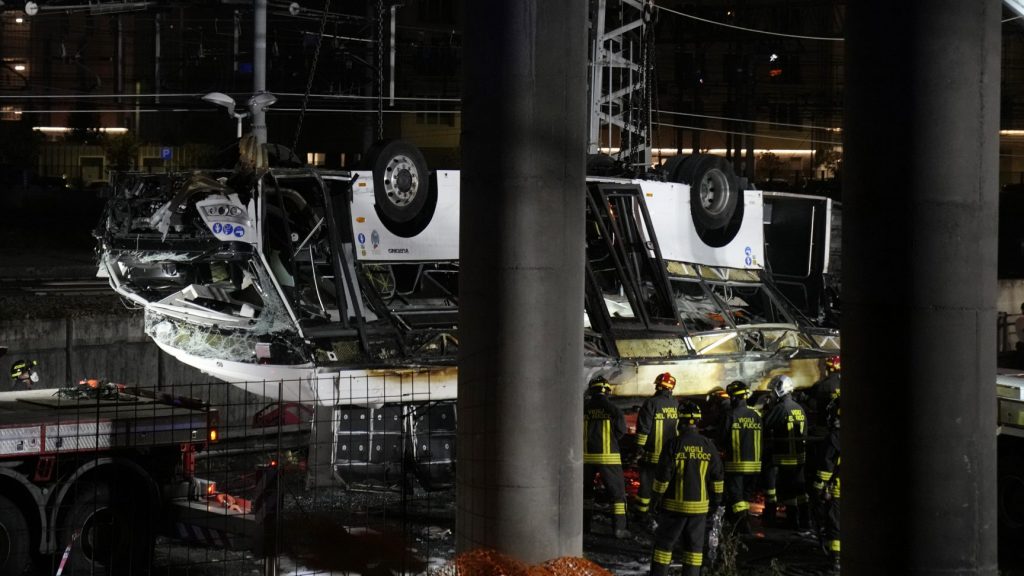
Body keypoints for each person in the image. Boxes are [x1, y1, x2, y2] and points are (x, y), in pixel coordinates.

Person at [649, 401, 724, 576]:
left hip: (673, 508)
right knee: (694, 551)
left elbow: (663, 476)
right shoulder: (708, 445)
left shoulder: (673, 444)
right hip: (699, 509)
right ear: (697, 422)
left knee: (664, 548)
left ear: (680, 422)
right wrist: (716, 501)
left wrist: (655, 498)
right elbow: (718, 476)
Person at [583, 376, 630, 539]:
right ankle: (619, 529)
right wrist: (610, 440)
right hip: (608, 457)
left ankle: (584, 528)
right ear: (607, 391)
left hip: (586, 457)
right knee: (617, 495)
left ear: (591, 390)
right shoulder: (613, 410)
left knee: (586, 494)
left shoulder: (583, 409)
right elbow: (621, 432)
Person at [762, 374, 809, 531]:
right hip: (800, 458)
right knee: (801, 493)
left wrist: (766, 407)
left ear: (780, 390)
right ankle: (804, 523)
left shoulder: (780, 408)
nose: (772, 394)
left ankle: (792, 523)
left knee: (788, 493)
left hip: (785, 459)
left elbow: (765, 424)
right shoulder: (799, 408)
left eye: (773, 391)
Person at [630, 372, 679, 522]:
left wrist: (638, 448)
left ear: (658, 386)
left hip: (651, 455)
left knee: (646, 486)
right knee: (664, 485)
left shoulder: (651, 403)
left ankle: (641, 514)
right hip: (669, 456)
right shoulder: (676, 404)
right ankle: (658, 512)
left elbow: (644, 428)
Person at [719, 380, 762, 534]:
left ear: (734, 398)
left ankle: (743, 525)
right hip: (755, 465)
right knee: (745, 496)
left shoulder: (730, 415)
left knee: (736, 496)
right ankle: (738, 523)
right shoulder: (757, 415)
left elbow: (722, 439)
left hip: (736, 464)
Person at [811, 397, 841, 573]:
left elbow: (827, 465)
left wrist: (818, 487)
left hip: (837, 488)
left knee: (835, 524)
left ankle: (836, 561)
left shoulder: (834, 437)